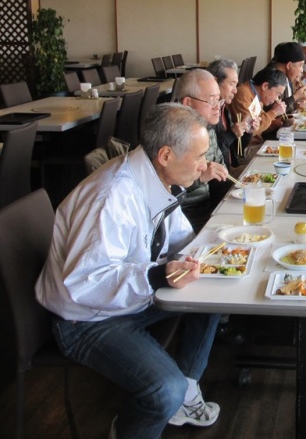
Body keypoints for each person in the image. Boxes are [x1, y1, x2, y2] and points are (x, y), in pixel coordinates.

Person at [36, 103, 221, 438]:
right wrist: (159, 275)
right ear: (166, 155)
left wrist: (203, 257)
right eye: (199, 156)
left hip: (130, 300)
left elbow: (179, 238)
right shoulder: (111, 195)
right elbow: (85, 283)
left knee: (213, 294)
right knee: (165, 390)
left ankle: (188, 388)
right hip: (86, 319)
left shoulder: (154, 178)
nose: (204, 165)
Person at [173, 69, 232, 231]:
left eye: (219, 100)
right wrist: (200, 178)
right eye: (211, 101)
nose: (217, 107)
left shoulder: (207, 128)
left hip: (210, 210)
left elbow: (221, 173)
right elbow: (164, 193)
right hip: (184, 220)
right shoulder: (171, 137)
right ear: (188, 103)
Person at [207, 58, 259, 168]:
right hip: (221, 175)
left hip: (231, 168)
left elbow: (235, 149)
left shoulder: (224, 109)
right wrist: (231, 134)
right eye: (232, 84)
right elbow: (212, 159)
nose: (235, 90)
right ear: (215, 82)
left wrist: (247, 132)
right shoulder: (207, 114)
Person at [229, 65, 288, 140]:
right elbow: (250, 129)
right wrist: (274, 112)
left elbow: (260, 125)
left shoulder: (257, 96)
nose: (277, 98)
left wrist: (275, 123)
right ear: (265, 86)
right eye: (277, 94)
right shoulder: (243, 94)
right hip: (249, 145)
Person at [270, 41, 306, 115]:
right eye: (300, 65)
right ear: (289, 65)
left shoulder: (286, 75)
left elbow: (285, 105)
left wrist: (297, 103)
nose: (302, 70)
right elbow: (274, 109)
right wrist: (296, 96)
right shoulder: (272, 77)